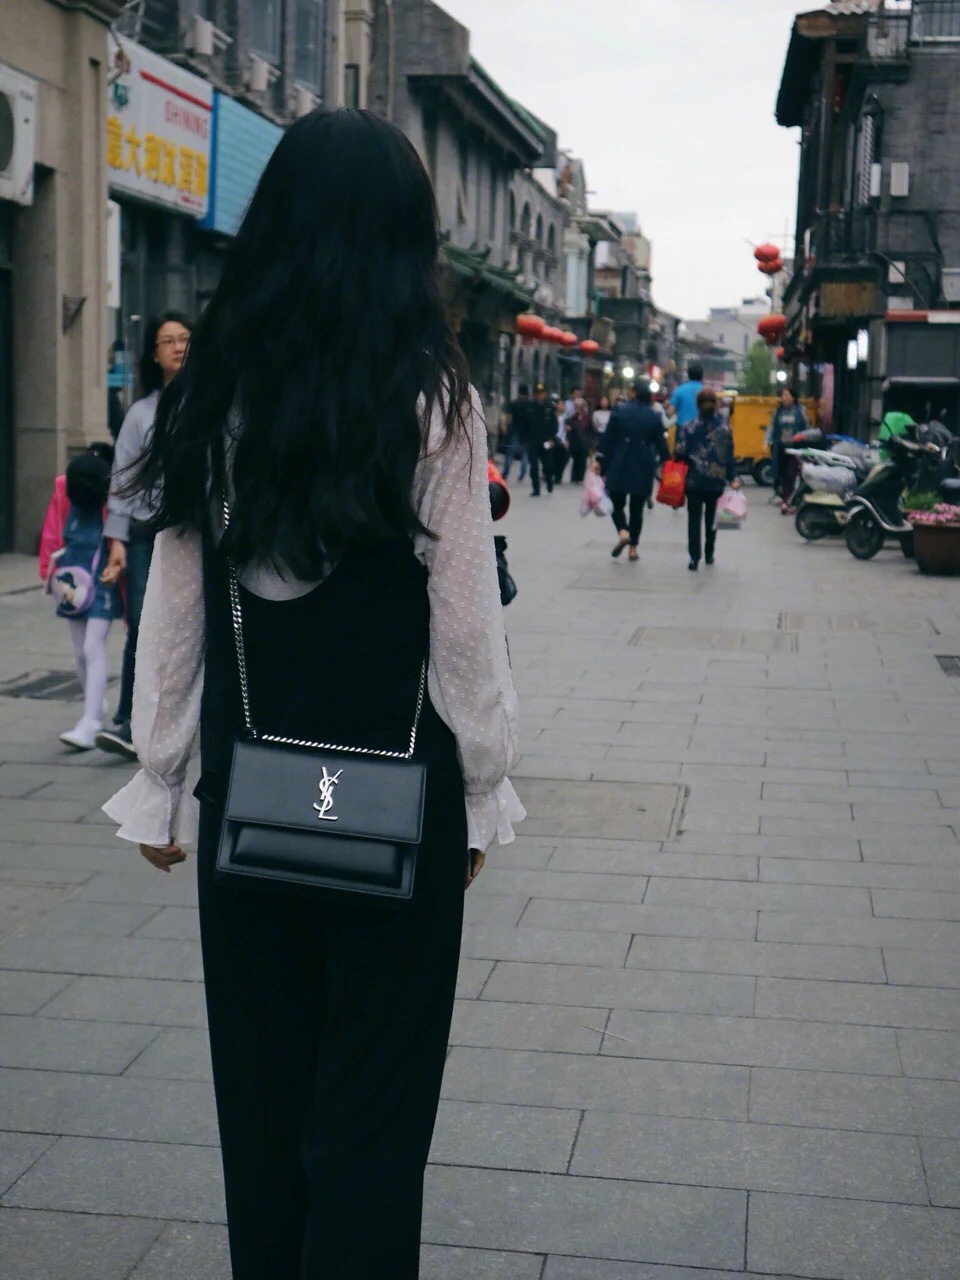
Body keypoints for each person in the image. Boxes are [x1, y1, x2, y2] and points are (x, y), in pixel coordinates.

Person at [102, 107, 523, 1280]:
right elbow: (465, 624)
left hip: (251, 797)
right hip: (397, 804)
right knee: (374, 1114)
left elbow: (175, 598)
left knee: (262, 1103)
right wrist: (482, 790)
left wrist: (161, 775)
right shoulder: (431, 399)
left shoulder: (212, 393)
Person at [96, 312, 194, 759]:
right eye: (167, 341)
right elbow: (122, 480)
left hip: (194, 533)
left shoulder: (208, 405)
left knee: (193, 628)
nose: (177, 347)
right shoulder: (140, 413)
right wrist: (116, 541)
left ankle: (187, 720)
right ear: (154, 354)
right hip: (144, 534)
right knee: (140, 624)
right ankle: (127, 721)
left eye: (184, 338)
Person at [52, 452, 124, 749]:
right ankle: (94, 704)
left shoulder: (111, 510)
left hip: (102, 586)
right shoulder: (66, 503)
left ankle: (90, 721)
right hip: (71, 589)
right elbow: (53, 538)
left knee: (91, 648)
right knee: (80, 651)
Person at [598, 380, 668, 562]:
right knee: (637, 508)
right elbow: (661, 444)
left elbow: (608, 438)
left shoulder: (620, 411)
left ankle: (623, 532)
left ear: (634, 393)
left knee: (616, 502)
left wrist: (599, 459)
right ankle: (633, 549)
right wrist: (667, 463)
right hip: (643, 463)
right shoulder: (654, 415)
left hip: (620, 461)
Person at [674, 386, 740, 571]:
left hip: (694, 480)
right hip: (716, 480)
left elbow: (679, 453)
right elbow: (729, 456)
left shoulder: (689, 427)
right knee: (712, 518)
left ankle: (694, 557)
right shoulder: (725, 428)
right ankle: (709, 552)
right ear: (716, 404)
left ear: (697, 405)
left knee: (694, 519)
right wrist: (733, 477)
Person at [38, 443, 115, 583]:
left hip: (91, 579)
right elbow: (51, 534)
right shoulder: (64, 490)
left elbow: (50, 535)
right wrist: (48, 570)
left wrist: (48, 570)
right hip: (77, 579)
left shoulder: (67, 486)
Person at [765, 385, 809, 508]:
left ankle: (789, 498)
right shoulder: (778, 411)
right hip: (780, 447)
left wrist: (805, 438)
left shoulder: (801, 410)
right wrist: (767, 441)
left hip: (796, 448)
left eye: (786, 395)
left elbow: (807, 427)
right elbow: (771, 426)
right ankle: (785, 496)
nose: (783, 398)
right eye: (782, 395)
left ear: (793, 398)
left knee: (792, 472)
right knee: (781, 471)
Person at [528, 383, 556, 495]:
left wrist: (552, 438)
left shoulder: (549, 407)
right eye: (537, 393)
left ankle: (549, 481)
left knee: (547, 465)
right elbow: (526, 425)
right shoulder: (530, 407)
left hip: (546, 440)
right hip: (533, 441)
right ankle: (536, 489)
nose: (539, 395)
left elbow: (554, 424)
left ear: (544, 394)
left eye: (541, 393)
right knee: (534, 466)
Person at [500, 384, 531, 482]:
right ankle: (522, 473)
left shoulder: (514, 403)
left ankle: (505, 473)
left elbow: (509, 417)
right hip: (527, 432)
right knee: (525, 453)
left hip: (515, 431)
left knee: (510, 453)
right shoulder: (530, 404)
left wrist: (506, 428)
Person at [669, 362, 705, 428]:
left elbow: (670, 412)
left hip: (682, 429)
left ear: (688, 375)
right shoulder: (706, 391)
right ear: (702, 376)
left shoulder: (679, 390)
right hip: (702, 429)